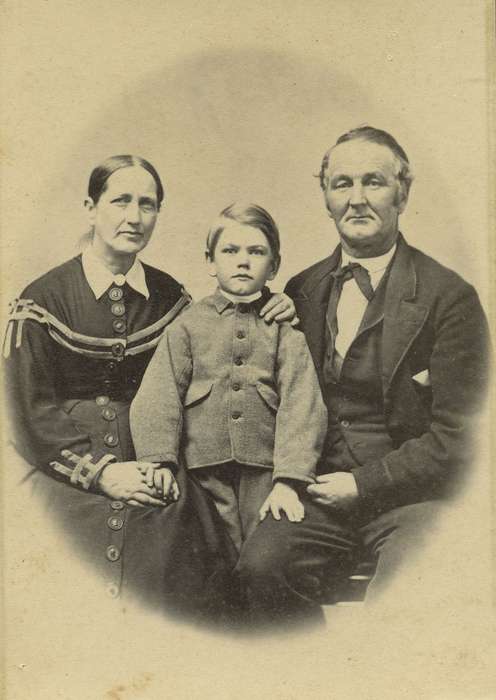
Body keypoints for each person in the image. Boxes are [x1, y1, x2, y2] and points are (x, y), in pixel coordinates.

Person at [3, 156, 297, 623]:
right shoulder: (43, 299)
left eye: (148, 204)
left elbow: (225, 360)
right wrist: (100, 474)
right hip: (64, 466)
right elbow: (25, 412)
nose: (134, 217)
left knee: (184, 537)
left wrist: (268, 306)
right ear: (90, 207)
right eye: (120, 201)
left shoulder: (170, 297)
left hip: (156, 454)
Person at [236, 126, 491, 627]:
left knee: (415, 593)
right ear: (326, 198)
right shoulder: (300, 290)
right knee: (259, 570)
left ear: (404, 191)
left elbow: (461, 439)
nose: (356, 200)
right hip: (316, 495)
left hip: (412, 499)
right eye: (341, 184)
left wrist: (363, 483)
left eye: (373, 182)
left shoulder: (450, 298)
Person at [130, 203, 327, 553]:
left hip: (266, 470)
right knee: (209, 552)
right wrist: (158, 460)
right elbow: (159, 393)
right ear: (210, 261)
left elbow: (302, 403)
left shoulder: (283, 329)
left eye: (256, 251)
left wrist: (289, 480)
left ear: (274, 266)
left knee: (263, 551)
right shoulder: (188, 324)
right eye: (230, 251)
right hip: (201, 470)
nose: (243, 261)